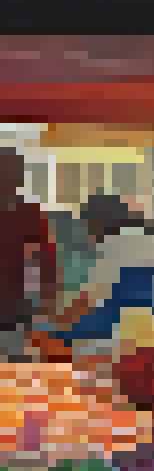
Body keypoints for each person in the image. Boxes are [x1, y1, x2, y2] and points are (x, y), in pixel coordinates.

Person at [52, 194, 154, 343]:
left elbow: (96, 302)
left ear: (96, 224)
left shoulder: (113, 246)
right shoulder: (152, 239)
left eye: (87, 226)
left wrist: (63, 330)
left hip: (149, 329)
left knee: (66, 336)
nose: (88, 234)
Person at [0, 151, 57, 361]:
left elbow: (46, 258)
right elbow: (46, 259)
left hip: (15, 310)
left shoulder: (28, 210)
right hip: (15, 309)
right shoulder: (28, 210)